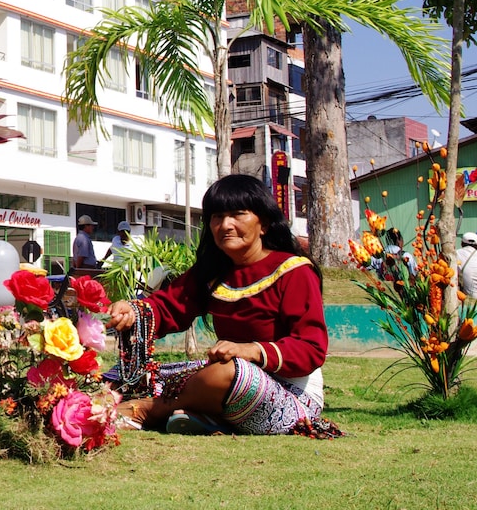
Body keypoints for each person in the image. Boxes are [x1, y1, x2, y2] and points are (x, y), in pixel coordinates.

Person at [107, 173, 330, 436]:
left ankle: (152, 410)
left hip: (288, 393)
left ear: (264, 224)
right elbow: (169, 305)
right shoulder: (212, 272)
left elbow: (311, 348)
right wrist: (132, 312)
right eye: (217, 217)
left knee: (226, 374)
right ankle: (200, 414)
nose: (225, 225)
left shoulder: (294, 271)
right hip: (228, 374)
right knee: (119, 378)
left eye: (237, 214)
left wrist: (252, 351)